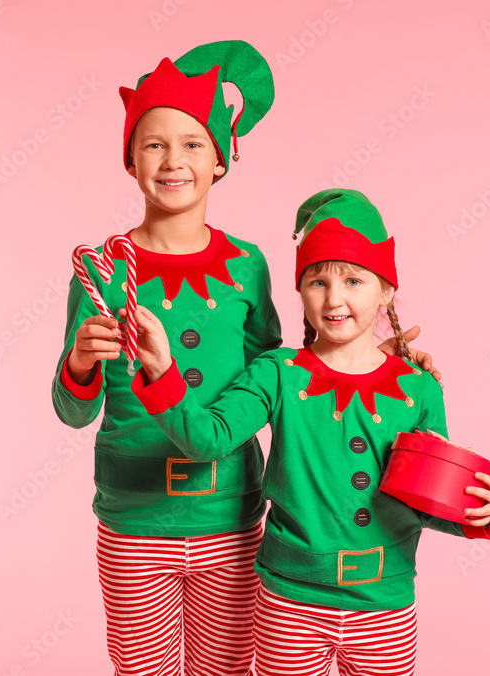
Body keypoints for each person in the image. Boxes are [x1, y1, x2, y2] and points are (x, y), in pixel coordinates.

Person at [53, 41, 436, 675]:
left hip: (232, 518)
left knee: (228, 669)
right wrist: (80, 366)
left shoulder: (247, 266)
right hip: (134, 520)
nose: (173, 160)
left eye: (193, 143)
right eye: (154, 144)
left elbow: (287, 372)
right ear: (129, 159)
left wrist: (372, 355)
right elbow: (72, 411)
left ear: (221, 159)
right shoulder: (101, 272)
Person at [127, 188, 490, 676]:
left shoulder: (417, 390)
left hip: (385, 607)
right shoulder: (277, 373)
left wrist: (481, 512)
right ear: (299, 289)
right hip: (289, 605)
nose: (335, 299)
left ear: (387, 289)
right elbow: (208, 438)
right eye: (317, 281)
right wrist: (163, 373)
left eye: (354, 280)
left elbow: (423, 495)